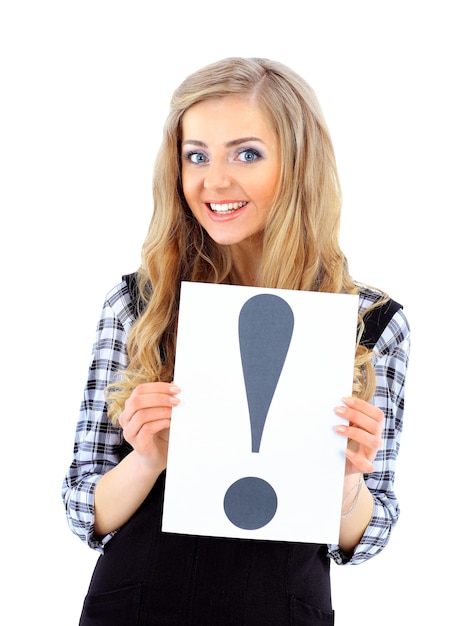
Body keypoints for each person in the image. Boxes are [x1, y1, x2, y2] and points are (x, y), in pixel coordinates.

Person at [62, 57, 410, 625]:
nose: (214, 180)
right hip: (137, 605)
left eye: (246, 153)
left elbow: (363, 541)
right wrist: (148, 460)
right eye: (195, 154)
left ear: (298, 166)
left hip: (282, 609)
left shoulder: (371, 322)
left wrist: (349, 477)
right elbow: (85, 512)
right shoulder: (139, 304)